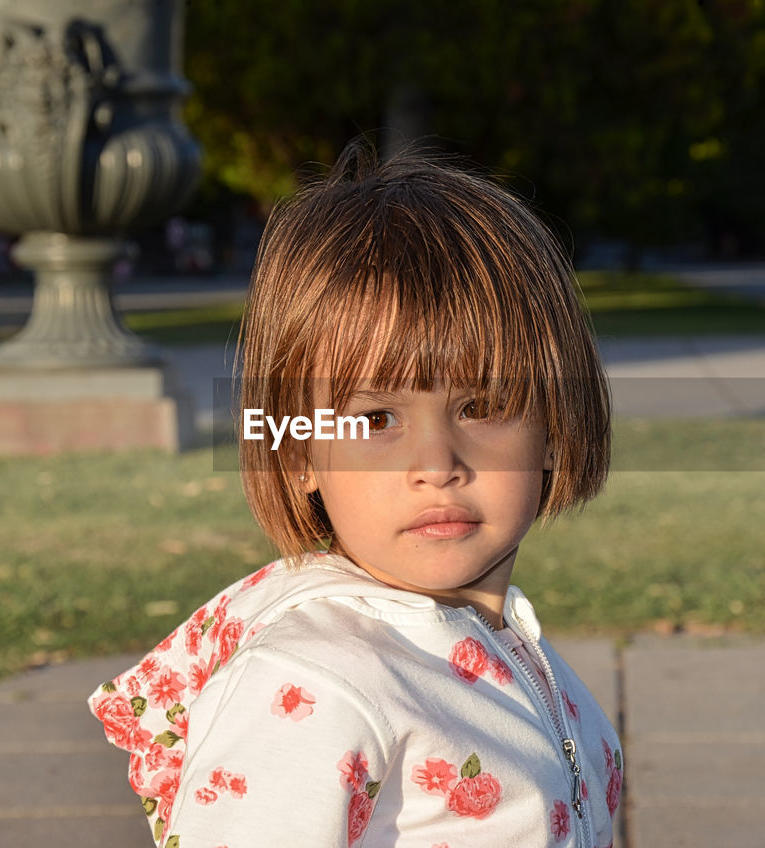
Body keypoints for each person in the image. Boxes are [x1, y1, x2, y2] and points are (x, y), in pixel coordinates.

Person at [88, 142, 623, 847]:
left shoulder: (515, 656)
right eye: (376, 419)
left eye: (483, 406)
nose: (436, 464)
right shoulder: (315, 687)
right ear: (301, 450)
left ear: (555, 428)